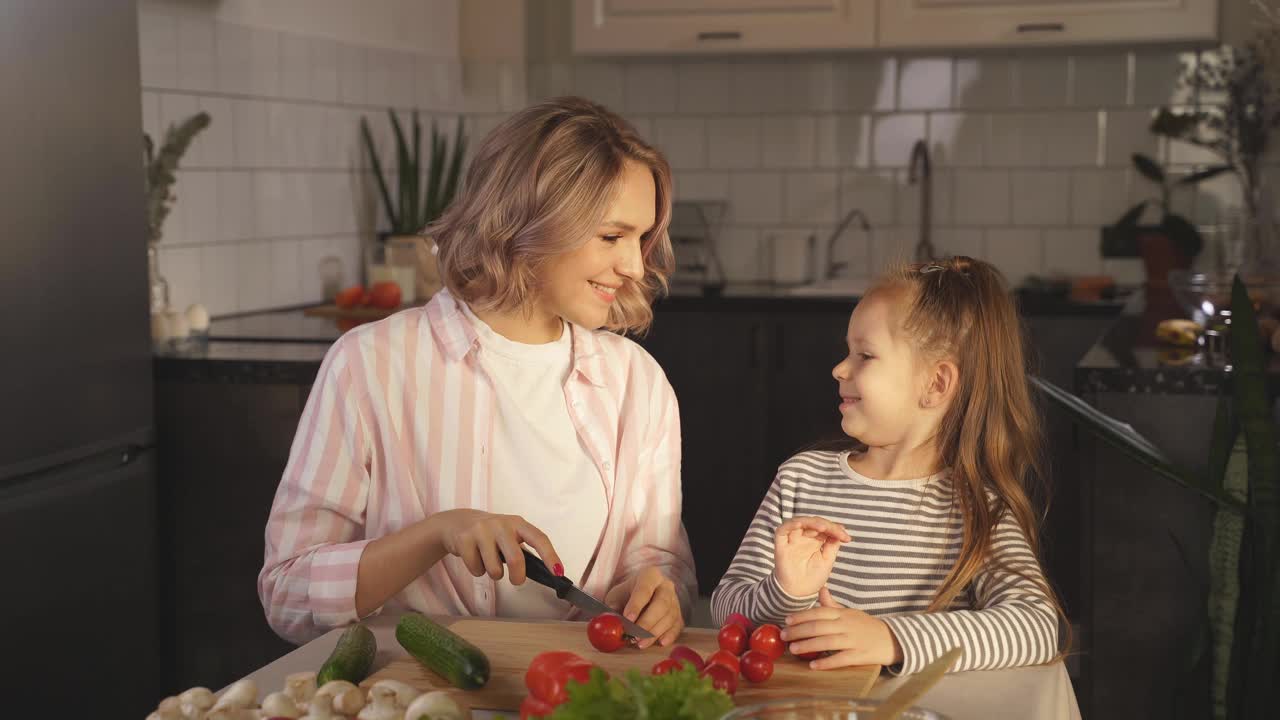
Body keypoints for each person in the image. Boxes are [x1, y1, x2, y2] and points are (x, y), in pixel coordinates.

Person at [259, 97, 696, 648]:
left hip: (586, 694)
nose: (634, 265)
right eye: (612, 236)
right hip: (420, 699)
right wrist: (437, 534)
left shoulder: (639, 382)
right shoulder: (371, 365)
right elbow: (286, 593)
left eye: (642, 238)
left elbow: (663, 564)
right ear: (532, 220)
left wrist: (658, 593)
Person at [711, 256, 1066, 674]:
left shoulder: (977, 510)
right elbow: (725, 607)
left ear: (936, 384)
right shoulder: (800, 480)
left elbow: (1039, 627)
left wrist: (891, 639)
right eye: (848, 351)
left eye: (865, 355)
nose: (840, 368)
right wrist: (784, 592)